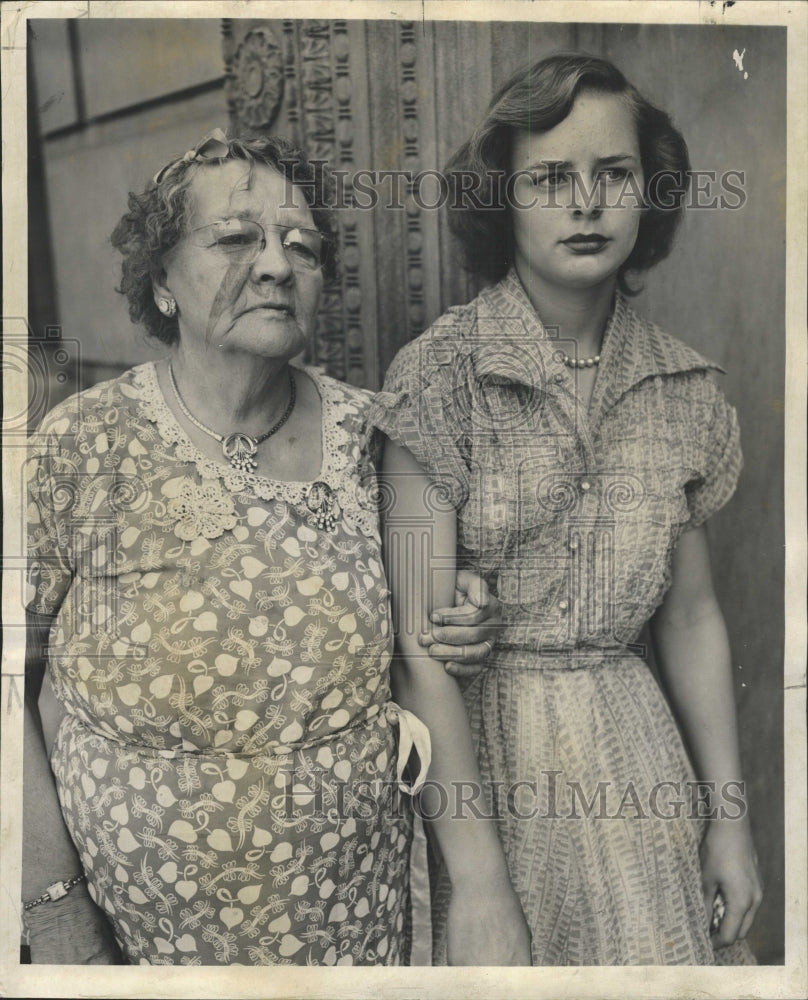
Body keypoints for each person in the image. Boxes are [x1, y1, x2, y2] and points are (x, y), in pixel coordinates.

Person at [23, 129, 507, 966]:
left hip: (352, 938)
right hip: (137, 952)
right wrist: (53, 916)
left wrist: (482, 886)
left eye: (301, 246)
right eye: (238, 239)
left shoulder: (375, 436)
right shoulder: (83, 445)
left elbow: (424, 656)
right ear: (162, 283)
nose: (279, 265)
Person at [371, 53, 763, 965]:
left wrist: (730, 823)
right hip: (485, 770)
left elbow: (694, 618)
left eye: (614, 174)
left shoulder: (683, 386)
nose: (586, 204)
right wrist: (479, 883)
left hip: (637, 756)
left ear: (648, 193)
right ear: (502, 197)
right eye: (550, 177)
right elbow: (418, 652)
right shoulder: (440, 377)